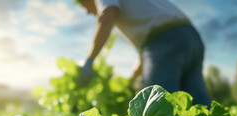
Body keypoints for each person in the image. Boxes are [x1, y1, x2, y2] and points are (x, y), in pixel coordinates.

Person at [76, 0, 211, 106]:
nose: (87, 12)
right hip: (190, 36)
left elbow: (107, 14)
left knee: (156, 106)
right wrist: (134, 77)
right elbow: (145, 52)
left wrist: (90, 59)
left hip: (164, 39)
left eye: (85, 6)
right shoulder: (137, 9)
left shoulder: (108, 4)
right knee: (198, 103)